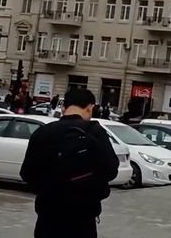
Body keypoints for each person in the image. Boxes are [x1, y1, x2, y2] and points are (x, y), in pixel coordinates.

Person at [20, 89, 119, 238]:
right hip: (83, 216)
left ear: (63, 107)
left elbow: (27, 173)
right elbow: (111, 170)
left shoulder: (43, 132)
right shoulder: (95, 132)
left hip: (49, 215)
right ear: (89, 107)